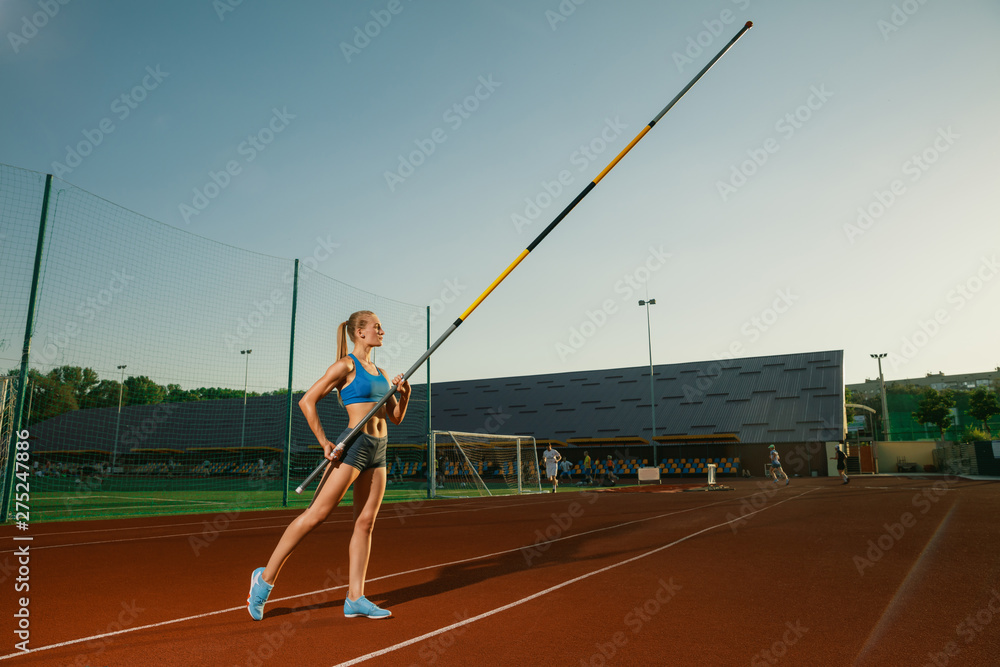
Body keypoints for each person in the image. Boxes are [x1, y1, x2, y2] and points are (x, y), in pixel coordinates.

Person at [247, 310, 411, 621]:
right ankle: (263, 580)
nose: (382, 331)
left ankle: (355, 598)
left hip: (380, 450)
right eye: (376, 327)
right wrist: (324, 442)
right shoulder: (345, 366)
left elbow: (396, 417)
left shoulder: (382, 372)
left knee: (365, 523)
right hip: (353, 447)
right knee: (316, 515)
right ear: (359, 333)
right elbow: (307, 400)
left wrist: (405, 394)